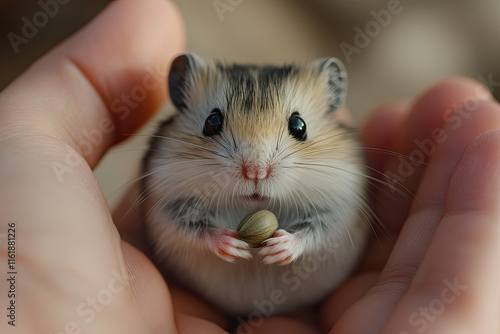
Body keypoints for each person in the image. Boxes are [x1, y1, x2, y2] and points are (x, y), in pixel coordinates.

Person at [1, 0, 499, 333]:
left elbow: (343, 220)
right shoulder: (169, 173)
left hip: (319, 289)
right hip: (189, 290)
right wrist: (204, 236)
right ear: (183, 96)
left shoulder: (343, 176)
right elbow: (167, 218)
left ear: (331, 100)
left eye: (297, 129)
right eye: (215, 124)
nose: (256, 167)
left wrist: (303, 238)